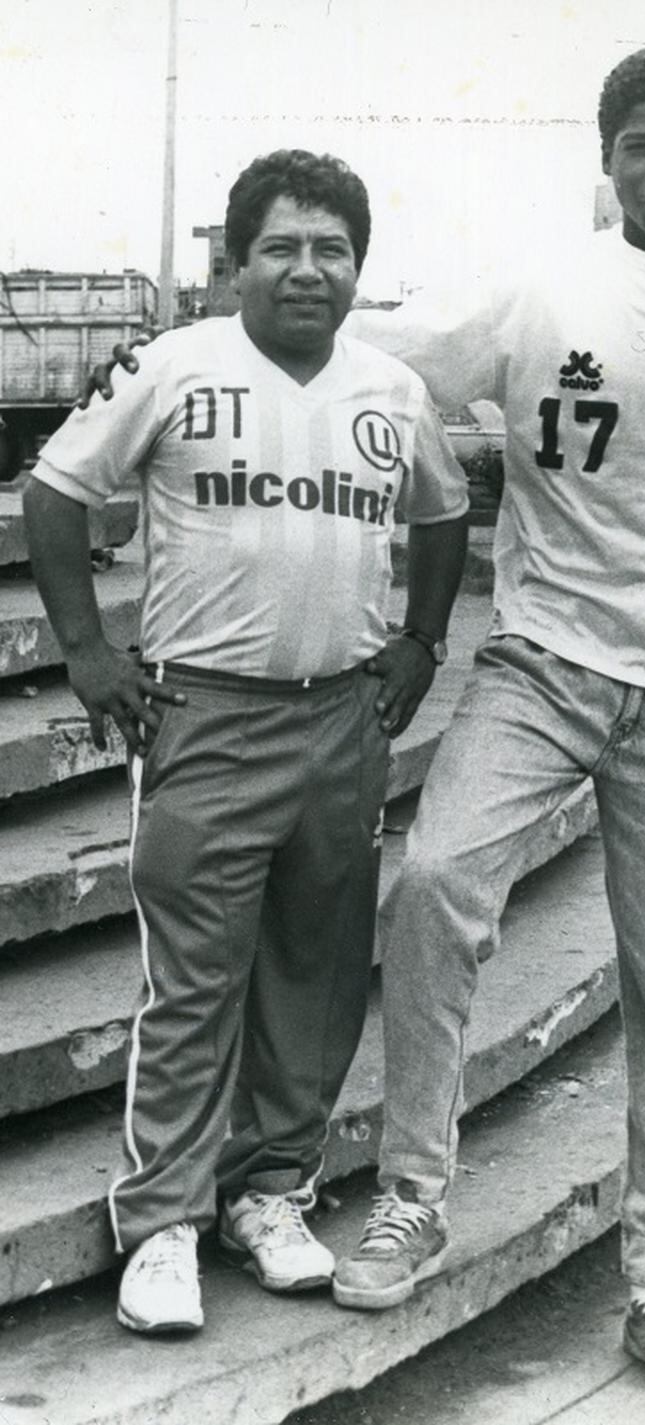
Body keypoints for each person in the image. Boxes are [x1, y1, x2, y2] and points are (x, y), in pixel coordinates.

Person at [86, 46, 645, 1399]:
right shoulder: (542, 289)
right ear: (605, 160)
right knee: (433, 891)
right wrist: (197, 344)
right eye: (639, 147)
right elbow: (363, 341)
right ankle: (412, 1200)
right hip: (541, 667)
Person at [24, 148, 469, 1337]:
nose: (306, 270)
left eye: (331, 249)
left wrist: (421, 640)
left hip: (341, 717)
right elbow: (55, 491)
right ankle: (163, 1220)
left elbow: (444, 509)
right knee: (195, 980)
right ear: (235, 262)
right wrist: (85, 652)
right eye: (281, 246)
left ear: (357, 269)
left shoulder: (392, 389)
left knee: (317, 979)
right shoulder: (172, 364)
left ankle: (270, 1193)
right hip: (205, 712)